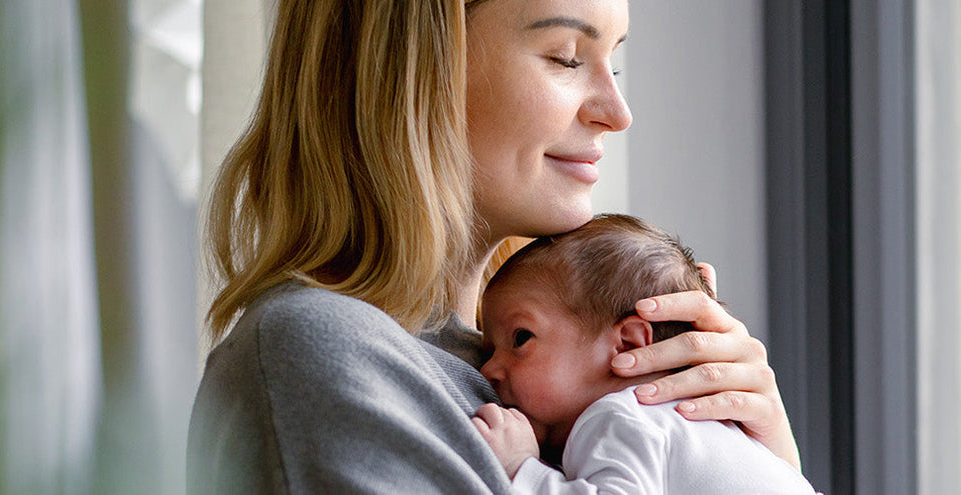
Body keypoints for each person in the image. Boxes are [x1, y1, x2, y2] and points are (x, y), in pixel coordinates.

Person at [186, 1, 800, 493]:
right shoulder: (325, 357)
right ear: (416, 69)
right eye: (564, 57)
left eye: (613, 64)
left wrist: (753, 457)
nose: (617, 112)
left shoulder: (557, 370)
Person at [469, 214, 817, 493]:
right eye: (488, 353)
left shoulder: (621, 418)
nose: (489, 371)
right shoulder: (711, 428)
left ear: (630, 345)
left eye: (520, 338)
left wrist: (521, 469)